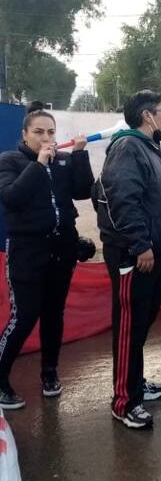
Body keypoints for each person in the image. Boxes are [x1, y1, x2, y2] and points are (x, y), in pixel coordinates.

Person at [93, 90, 161, 429]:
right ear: (148, 116)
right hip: (136, 254)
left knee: (142, 321)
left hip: (155, 251)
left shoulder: (150, 149)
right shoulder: (128, 147)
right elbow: (123, 200)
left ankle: (135, 381)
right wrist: (140, 245)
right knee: (129, 326)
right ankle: (123, 401)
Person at [0, 106, 94, 409]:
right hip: (27, 252)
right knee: (24, 317)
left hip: (61, 249)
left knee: (54, 314)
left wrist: (80, 156)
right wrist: (39, 164)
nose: (46, 138)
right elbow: (13, 197)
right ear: (25, 134)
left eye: (51, 132)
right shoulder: (9, 160)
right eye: (38, 132)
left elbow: (83, 191)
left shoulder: (63, 159)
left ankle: (50, 373)